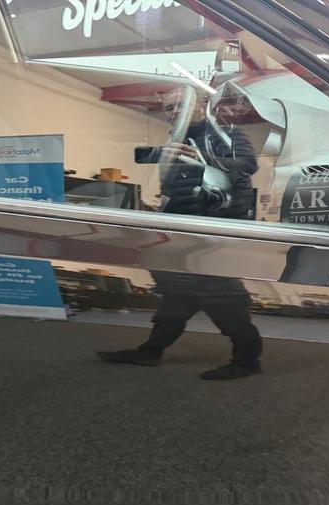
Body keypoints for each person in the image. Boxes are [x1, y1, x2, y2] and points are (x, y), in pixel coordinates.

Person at [98, 88, 263, 381]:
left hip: (211, 232)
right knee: (177, 296)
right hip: (183, 231)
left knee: (222, 298)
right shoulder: (178, 139)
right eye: (168, 108)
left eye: (178, 105)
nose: (173, 113)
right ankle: (150, 352)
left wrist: (201, 158)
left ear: (198, 104)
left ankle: (247, 361)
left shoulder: (222, 134)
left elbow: (247, 164)